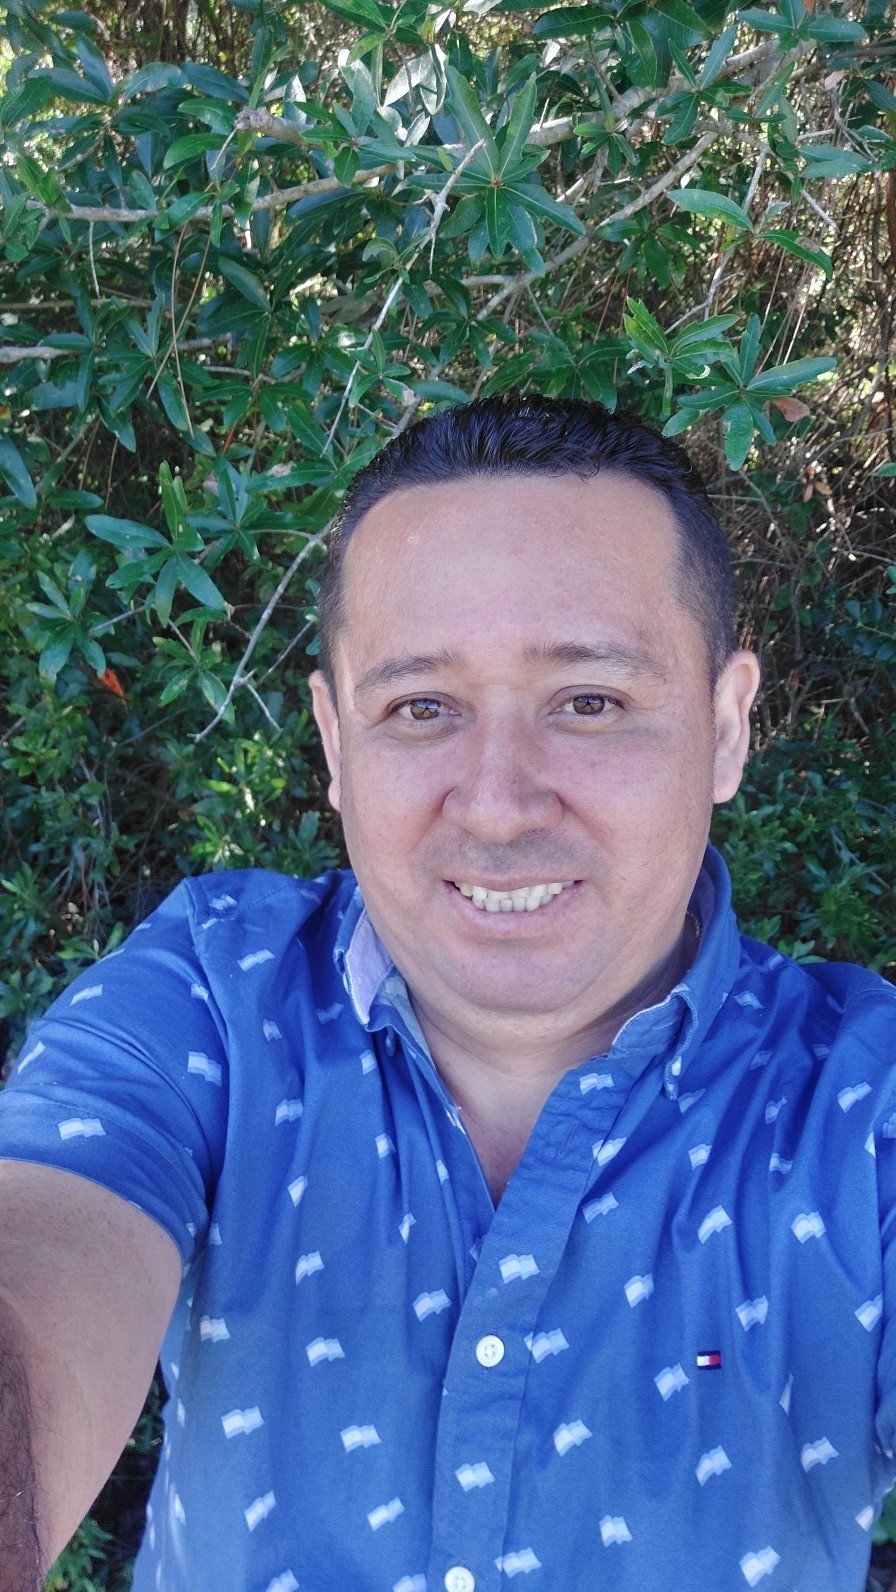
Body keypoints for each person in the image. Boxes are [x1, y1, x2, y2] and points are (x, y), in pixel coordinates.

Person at [1, 395, 895, 1592]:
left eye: (588, 700)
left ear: (726, 727)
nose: (497, 803)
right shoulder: (211, 997)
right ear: (333, 741)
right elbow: (42, 1260)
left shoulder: (861, 1105)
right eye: (420, 707)